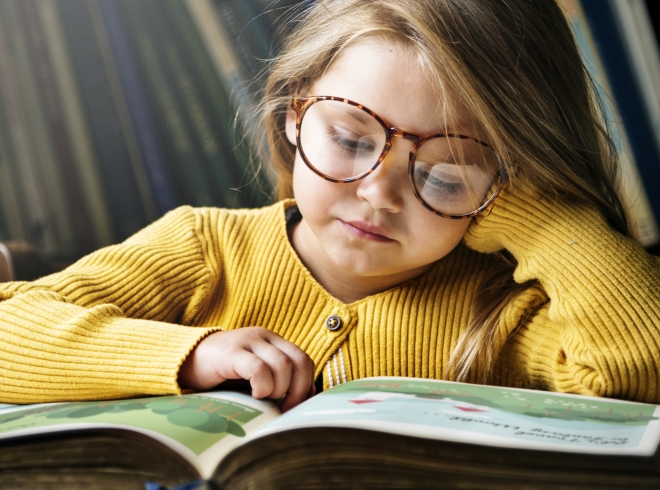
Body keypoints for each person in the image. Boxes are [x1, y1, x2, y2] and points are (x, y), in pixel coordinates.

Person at [1, 0, 659, 408]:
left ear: (508, 183)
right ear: (294, 114)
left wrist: (541, 215)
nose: (379, 193)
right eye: (348, 139)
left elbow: (636, 376)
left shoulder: (503, 312)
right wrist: (191, 356)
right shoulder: (204, 246)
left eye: (447, 176)